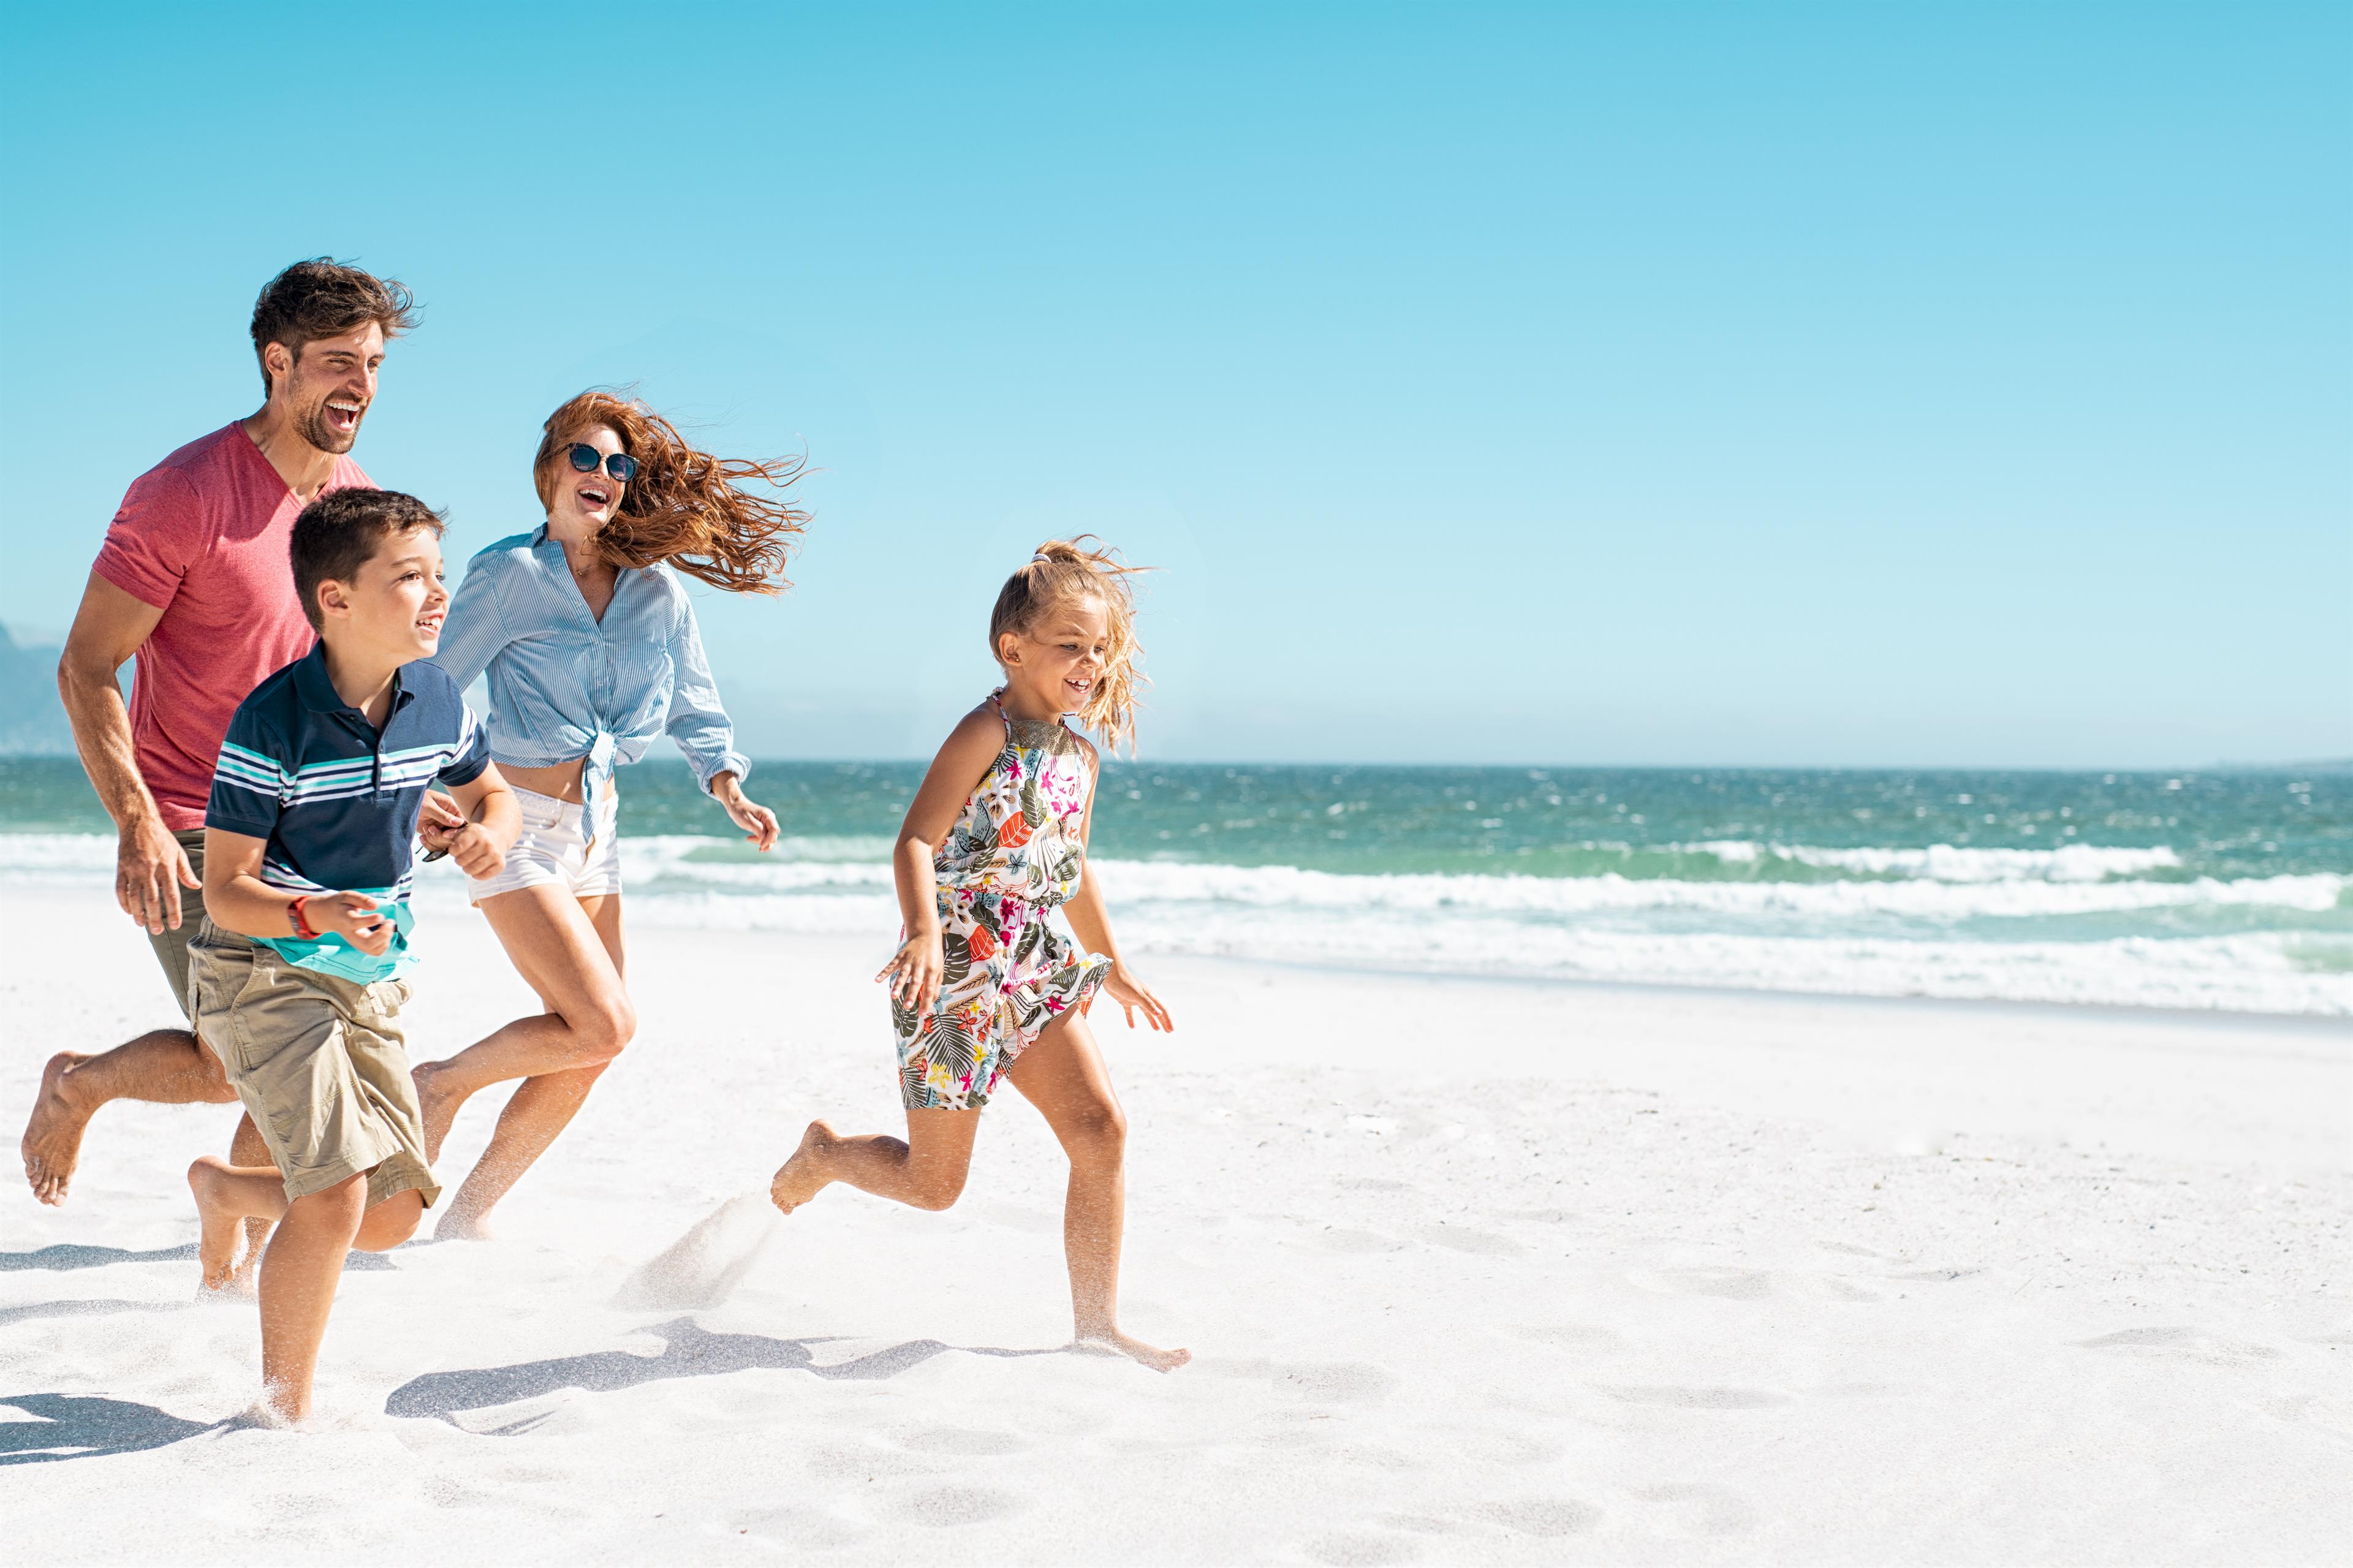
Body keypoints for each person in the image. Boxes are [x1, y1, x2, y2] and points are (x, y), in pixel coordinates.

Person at [23, 259, 419, 1227]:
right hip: (198, 825)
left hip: (315, 831)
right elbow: (85, 667)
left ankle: (228, 1253)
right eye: (337, 361)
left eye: (372, 363)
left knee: (271, 1059)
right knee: (253, 1058)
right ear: (277, 363)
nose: (359, 386)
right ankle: (79, 1087)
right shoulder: (183, 493)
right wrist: (137, 824)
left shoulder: (353, 500)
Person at [767, 539, 1189, 1371]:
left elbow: (1068, 872)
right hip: (953, 970)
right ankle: (826, 1157)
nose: (1089, 662)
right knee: (935, 1187)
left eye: (1099, 649)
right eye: (1070, 644)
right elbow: (916, 841)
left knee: (1100, 1131)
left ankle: (1097, 1326)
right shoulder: (984, 731)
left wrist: (1115, 962)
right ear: (1014, 649)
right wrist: (923, 931)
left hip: (1033, 961)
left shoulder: (1079, 757)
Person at [411, 391, 803, 1238]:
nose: (601, 475)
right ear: (550, 470)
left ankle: (468, 1216)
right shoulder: (507, 576)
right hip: (513, 824)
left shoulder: (656, 594)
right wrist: (417, 786)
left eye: (617, 465)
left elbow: (697, 703)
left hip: (597, 833)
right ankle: (438, 1083)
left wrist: (727, 785)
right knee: (602, 1019)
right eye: (584, 458)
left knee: (595, 1044)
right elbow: (432, 685)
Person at [184, 488, 518, 1424]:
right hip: (263, 967)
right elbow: (226, 889)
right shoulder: (272, 723)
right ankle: (279, 1412)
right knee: (333, 1196)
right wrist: (317, 911)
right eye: (408, 577)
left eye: (438, 576)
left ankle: (226, 1192)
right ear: (334, 600)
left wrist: (489, 830)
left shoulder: (438, 696)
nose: (437, 595)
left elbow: (493, 795)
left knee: (392, 1213)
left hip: (369, 976)